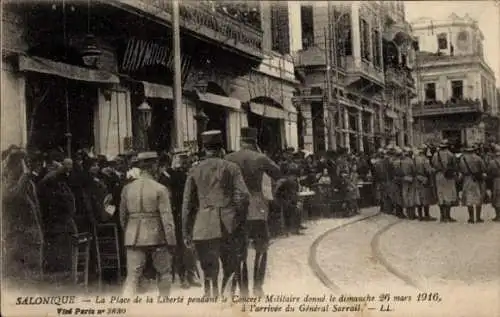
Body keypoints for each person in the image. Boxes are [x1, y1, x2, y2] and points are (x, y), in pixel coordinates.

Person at [182, 130, 249, 297]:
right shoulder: (231, 167)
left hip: (203, 226)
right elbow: (244, 196)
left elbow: (187, 205)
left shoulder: (195, 170)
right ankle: (226, 301)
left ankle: (210, 297)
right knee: (230, 266)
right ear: (221, 149)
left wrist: (186, 230)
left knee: (209, 268)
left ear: (204, 149)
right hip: (228, 224)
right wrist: (238, 217)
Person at [225, 127, 281, 297]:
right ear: (254, 141)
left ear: (240, 140)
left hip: (236, 209)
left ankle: (243, 290)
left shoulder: (228, 158)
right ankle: (257, 286)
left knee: (239, 250)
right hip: (257, 208)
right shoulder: (260, 158)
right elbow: (277, 172)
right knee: (261, 247)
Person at [120, 152, 176, 296]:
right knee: (164, 273)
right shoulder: (160, 189)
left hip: (133, 236)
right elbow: (167, 217)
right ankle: (165, 306)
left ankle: (126, 308)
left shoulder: (127, 188)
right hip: (157, 236)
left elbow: (122, 216)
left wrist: (129, 232)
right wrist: (171, 240)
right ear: (154, 166)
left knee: (132, 276)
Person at [458, 145, 487, 223]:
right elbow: (483, 168)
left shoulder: (462, 159)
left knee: (468, 198)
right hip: (477, 179)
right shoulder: (478, 158)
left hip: (467, 179)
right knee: (478, 198)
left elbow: (460, 169)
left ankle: (471, 218)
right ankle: (478, 218)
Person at [431, 139, 458, 222]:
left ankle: (442, 216)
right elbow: (455, 166)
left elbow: (432, 164)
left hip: (438, 176)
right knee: (448, 196)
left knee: (440, 195)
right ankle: (448, 216)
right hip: (448, 176)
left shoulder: (435, 155)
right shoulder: (451, 155)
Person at [413, 146, 436, 221]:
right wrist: (433, 170)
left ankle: (420, 216)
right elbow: (428, 170)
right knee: (426, 197)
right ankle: (426, 215)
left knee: (419, 197)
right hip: (424, 179)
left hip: (416, 178)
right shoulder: (425, 159)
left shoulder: (415, 159)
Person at [487, 144, 500, 222]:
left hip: (496, 180)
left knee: (496, 197)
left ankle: (498, 216)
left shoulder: (492, 162)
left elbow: (488, 172)